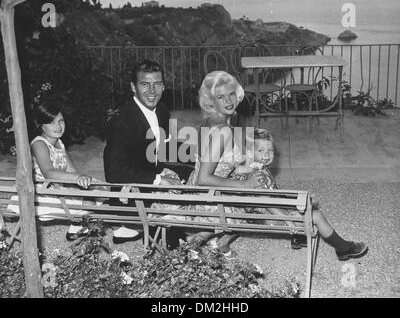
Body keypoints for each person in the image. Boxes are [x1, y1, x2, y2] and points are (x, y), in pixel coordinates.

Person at [176, 70, 368, 261]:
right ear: (211, 100)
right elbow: (204, 178)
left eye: (231, 94)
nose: (228, 101)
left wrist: (248, 169)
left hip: (205, 198)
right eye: (220, 97)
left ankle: (290, 225)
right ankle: (336, 245)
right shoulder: (222, 130)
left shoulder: (211, 121)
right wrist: (245, 185)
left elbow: (219, 165)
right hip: (211, 202)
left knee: (264, 185)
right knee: (296, 208)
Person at [103, 59, 182, 243]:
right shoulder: (121, 122)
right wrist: (159, 180)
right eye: (145, 84)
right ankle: (156, 238)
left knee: (195, 176)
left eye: (157, 84)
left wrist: (197, 154)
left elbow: (165, 149)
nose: (152, 91)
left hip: (152, 172)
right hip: (129, 191)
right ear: (133, 87)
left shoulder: (162, 110)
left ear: (163, 86)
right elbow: (114, 172)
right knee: (181, 207)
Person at [18, 99, 95, 239]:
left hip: (56, 187)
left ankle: (77, 227)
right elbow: (48, 173)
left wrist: (83, 179)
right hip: (42, 191)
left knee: (96, 191)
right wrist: (76, 179)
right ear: (41, 125)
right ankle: (78, 224)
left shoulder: (59, 142)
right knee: (88, 201)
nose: (58, 126)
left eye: (61, 121)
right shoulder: (39, 144)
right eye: (51, 122)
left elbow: (71, 170)